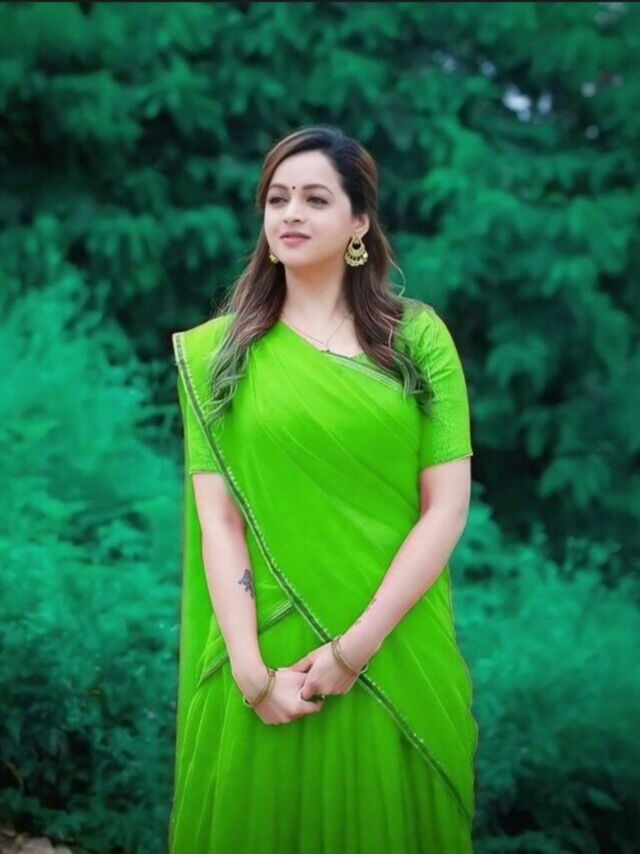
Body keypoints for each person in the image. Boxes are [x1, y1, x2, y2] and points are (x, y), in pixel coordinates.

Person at [168, 125, 477, 853]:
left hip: (393, 642)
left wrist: (353, 650)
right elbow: (220, 522)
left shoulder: (416, 340)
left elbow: (446, 508)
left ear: (359, 221)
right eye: (277, 199)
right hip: (264, 652)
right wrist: (251, 673)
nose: (291, 214)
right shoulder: (218, 355)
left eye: (315, 198)